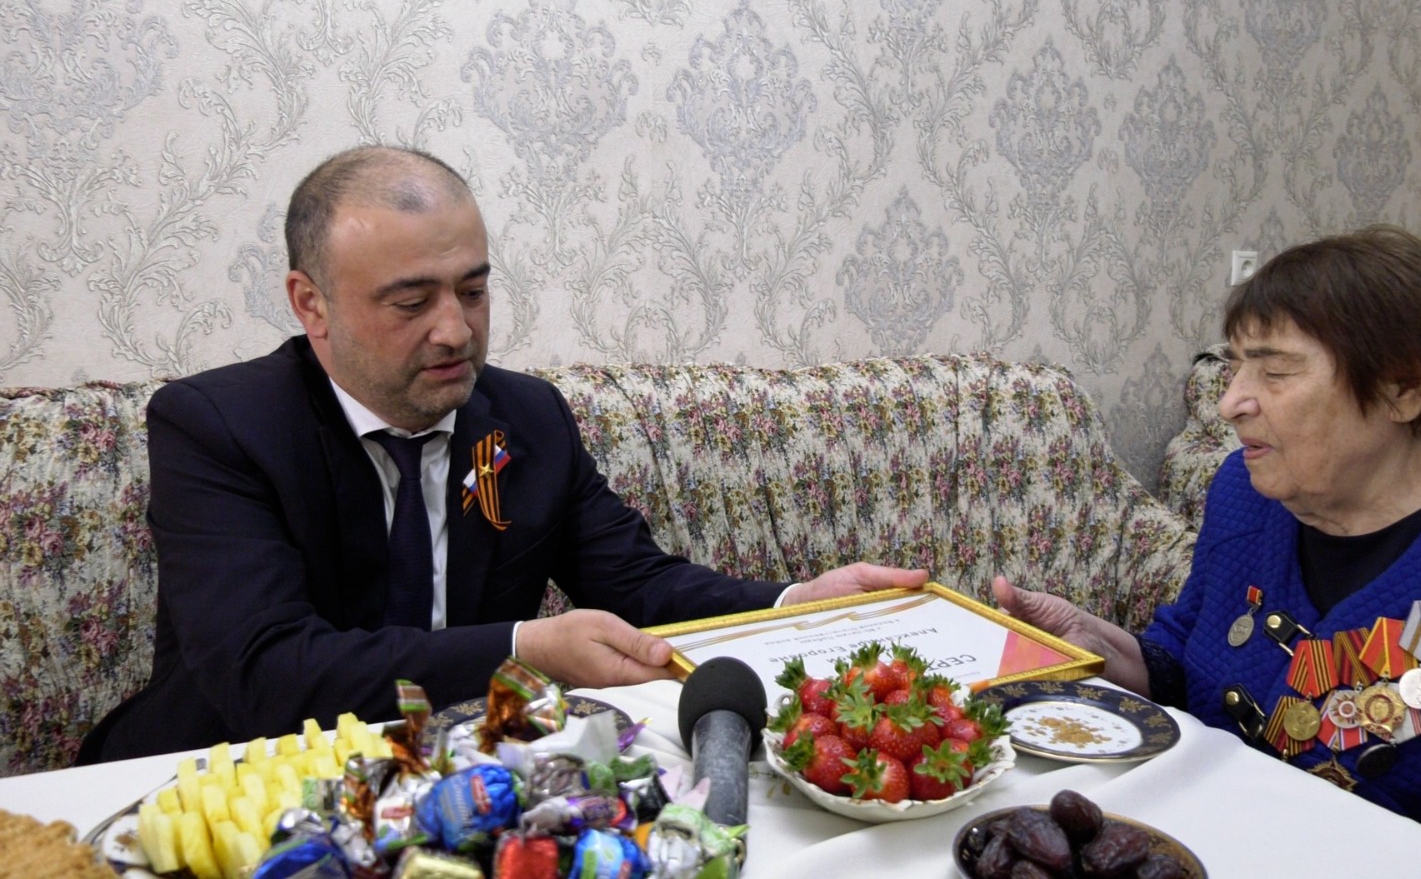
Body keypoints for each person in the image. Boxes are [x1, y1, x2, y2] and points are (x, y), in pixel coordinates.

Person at [79, 145, 926, 762]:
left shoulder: (526, 418)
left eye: (474, 290)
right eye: (411, 302)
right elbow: (267, 673)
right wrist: (523, 649)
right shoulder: (219, 427)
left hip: (468, 771)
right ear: (312, 304)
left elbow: (638, 585)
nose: (456, 330)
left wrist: (792, 603)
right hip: (231, 775)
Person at [993, 226, 1421, 875]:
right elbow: (1191, 649)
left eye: (1275, 371)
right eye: (1235, 367)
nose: (1230, 403)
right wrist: (1099, 647)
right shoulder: (1247, 491)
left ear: (1405, 388)